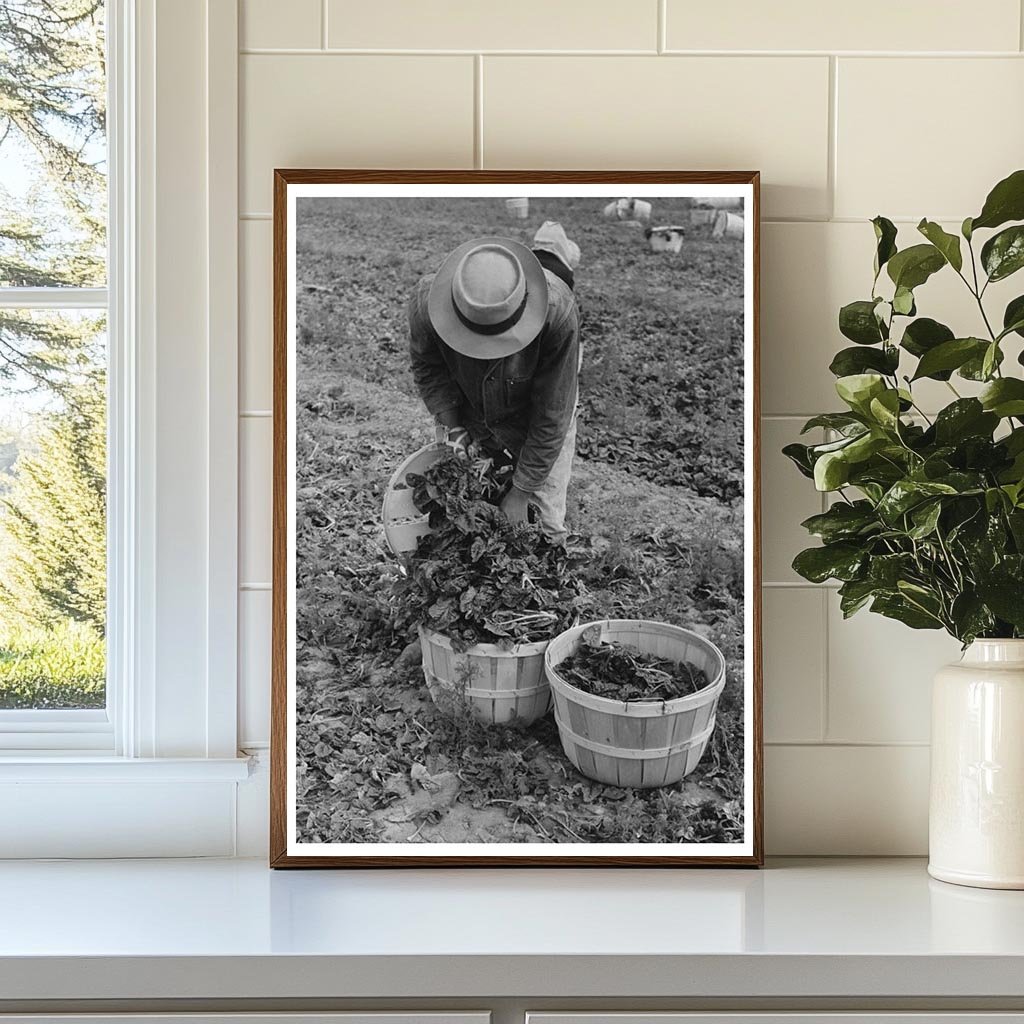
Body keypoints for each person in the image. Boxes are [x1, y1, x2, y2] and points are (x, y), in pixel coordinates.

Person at [408, 222, 581, 543]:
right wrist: (454, 427)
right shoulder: (426, 305)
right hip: (469, 406)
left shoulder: (557, 314)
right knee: (458, 518)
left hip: (533, 408)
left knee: (544, 529)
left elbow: (552, 415)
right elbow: (429, 368)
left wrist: (522, 490)